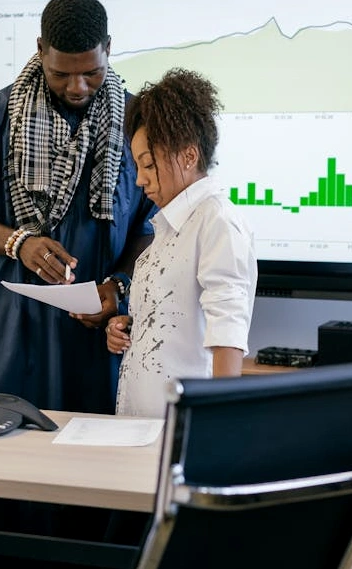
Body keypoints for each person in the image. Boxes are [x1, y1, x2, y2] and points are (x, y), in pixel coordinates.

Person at [0, 0, 156, 569]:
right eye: (63, 74)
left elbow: (152, 227)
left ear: (108, 52)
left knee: (96, 469)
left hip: (97, 331)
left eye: (91, 72)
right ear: (40, 51)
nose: (78, 87)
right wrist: (19, 242)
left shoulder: (137, 120)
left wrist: (118, 288)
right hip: (11, 327)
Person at [106, 68, 257, 418]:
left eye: (147, 164)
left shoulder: (216, 219)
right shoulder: (168, 226)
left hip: (185, 430)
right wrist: (131, 327)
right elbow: (174, 317)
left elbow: (227, 331)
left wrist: (217, 426)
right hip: (143, 427)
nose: (140, 180)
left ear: (188, 156)